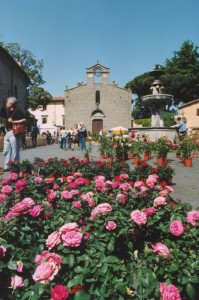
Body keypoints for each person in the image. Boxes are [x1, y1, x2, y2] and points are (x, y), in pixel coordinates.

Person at [0, 97, 26, 171]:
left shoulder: (18, 111)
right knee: (6, 150)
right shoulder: (9, 111)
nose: (6, 104)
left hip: (14, 132)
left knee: (15, 150)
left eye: (7, 102)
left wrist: (14, 122)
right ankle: (7, 166)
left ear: (11, 104)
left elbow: (24, 119)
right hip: (7, 133)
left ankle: (15, 166)